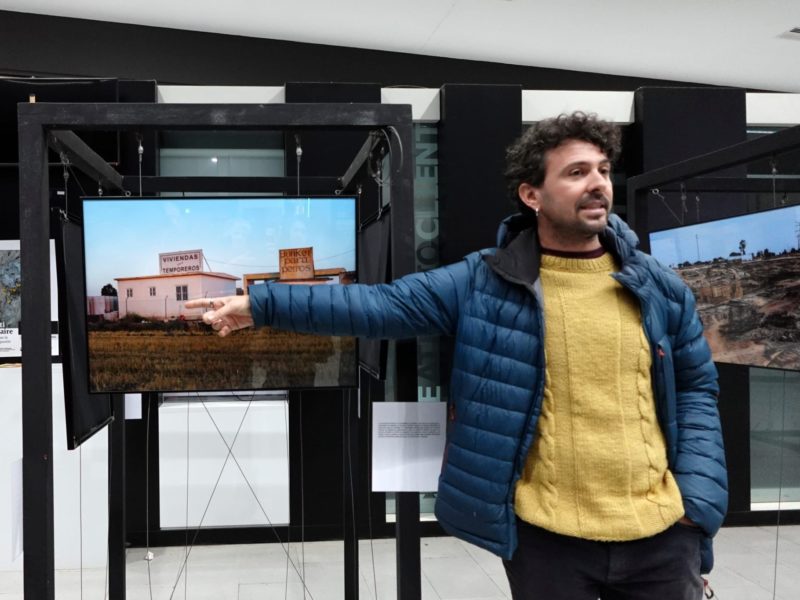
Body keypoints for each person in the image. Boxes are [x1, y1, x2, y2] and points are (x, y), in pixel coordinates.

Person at [185, 112, 727, 600]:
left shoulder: (658, 286)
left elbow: (697, 390)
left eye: (603, 170)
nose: (598, 185)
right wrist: (260, 302)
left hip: (661, 535)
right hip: (547, 543)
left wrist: (695, 509)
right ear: (531, 195)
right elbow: (378, 305)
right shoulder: (484, 280)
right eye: (576, 172)